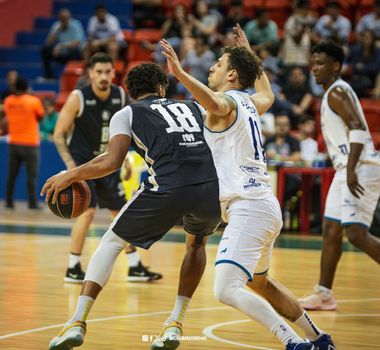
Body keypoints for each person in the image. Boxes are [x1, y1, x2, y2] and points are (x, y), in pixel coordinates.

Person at [157, 25, 335, 350]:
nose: (211, 68)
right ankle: (319, 339)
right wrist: (251, 53)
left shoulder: (226, 103)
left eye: (218, 65)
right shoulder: (252, 103)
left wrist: (181, 74)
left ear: (232, 76)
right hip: (264, 205)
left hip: (249, 208)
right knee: (261, 283)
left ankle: (294, 343)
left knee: (225, 288)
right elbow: (268, 93)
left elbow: (214, 102)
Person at [43, 61, 221, 350]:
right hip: (210, 189)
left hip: (168, 187)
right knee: (197, 245)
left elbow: (111, 162)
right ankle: (175, 323)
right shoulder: (192, 107)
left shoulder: (126, 112)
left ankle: (76, 321)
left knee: (111, 243)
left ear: (130, 91)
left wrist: (70, 174)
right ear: (162, 87)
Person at [52, 52, 161, 283]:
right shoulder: (78, 97)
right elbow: (58, 134)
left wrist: (129, 160)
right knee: (87, 211)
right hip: (84, 165)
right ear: (91, 73)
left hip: (108, 164)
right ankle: (73, 267)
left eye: (107, 72)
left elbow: (129, 131)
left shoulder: (120, 95)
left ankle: (134, 266)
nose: (103, 76)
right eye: (99, 72)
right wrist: (71, 167)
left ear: (114, 73)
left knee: (121, 213)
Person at [299, 40, 380, 311]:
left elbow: (357, 128)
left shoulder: (337, 92)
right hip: (346, 167)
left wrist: (353, 168)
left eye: (321, 63)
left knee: (355, 233)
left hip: (360, 166)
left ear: (336, 66)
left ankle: (324, 292)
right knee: (331, 228)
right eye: (313, 63)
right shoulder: (333, 92)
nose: (314, 68)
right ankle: (324, 293)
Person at [4, 77, 45, 210]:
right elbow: (41, 116)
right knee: (31, 176)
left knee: (12, 175)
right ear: (27, 87)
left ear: (15, 87)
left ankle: (9, 202)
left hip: (14, 143)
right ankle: (32, 203)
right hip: (30, 144)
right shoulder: (34, 101)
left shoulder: (8, 101)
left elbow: (7, 115)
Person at [41, 8, 85, 79]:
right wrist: (56, 31)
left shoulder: (76, 24)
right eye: (62, 19)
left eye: (66, 19)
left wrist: (62, 46)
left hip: (74, 53)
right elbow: (48, 43)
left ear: (69, 18)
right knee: (45, 50)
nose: (64, 21)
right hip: (60, 54)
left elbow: (77, 42)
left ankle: (74, 74)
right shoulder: (56, 26)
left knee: (73, 50)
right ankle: (49, 75)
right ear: (59, 19)